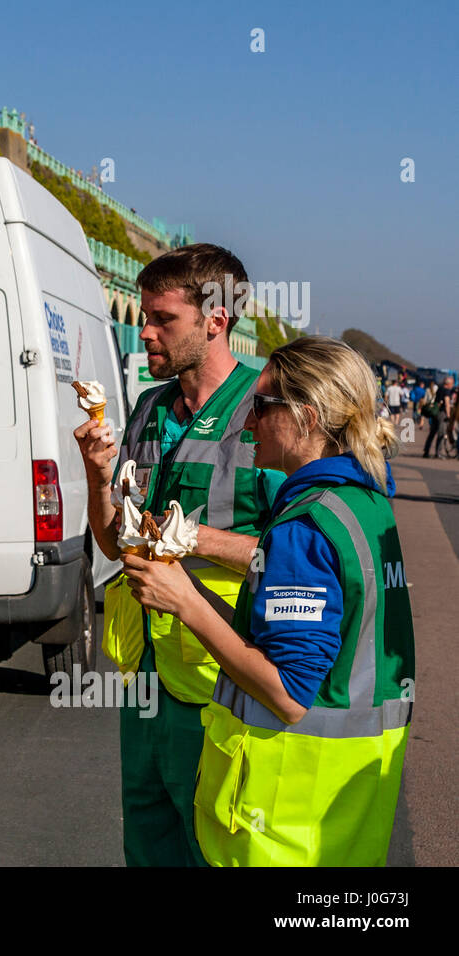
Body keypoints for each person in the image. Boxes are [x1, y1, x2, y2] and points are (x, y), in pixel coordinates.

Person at [121, 336, 413, 865]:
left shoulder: (306, 526)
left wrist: (186, 603)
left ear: (304, 416)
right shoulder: (366, 505)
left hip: (280, 821)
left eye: (259, 405)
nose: (247, 423)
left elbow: (288, 692)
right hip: (343, 812)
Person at [74, 243, 285, 867]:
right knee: (147, 846)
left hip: (220, 685)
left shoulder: (266, 413)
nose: (144, 331)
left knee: (211, 850)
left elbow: (297, 558)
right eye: (143, 314)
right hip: (145, 681)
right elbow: (116, 542)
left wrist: (191, 539)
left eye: (162, 318)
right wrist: (95, 477)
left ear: (216, 320)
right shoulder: (146, 409)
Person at [421, 377, 453, 458]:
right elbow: (447, 403)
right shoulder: (446, 391)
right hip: (442, 414)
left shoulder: (439, 389)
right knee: (441, 433)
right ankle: (438, 452)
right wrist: (448, 415)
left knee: (432, 433)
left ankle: (426, 451)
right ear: (448, 384)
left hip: (435, 413)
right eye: (452, 384)